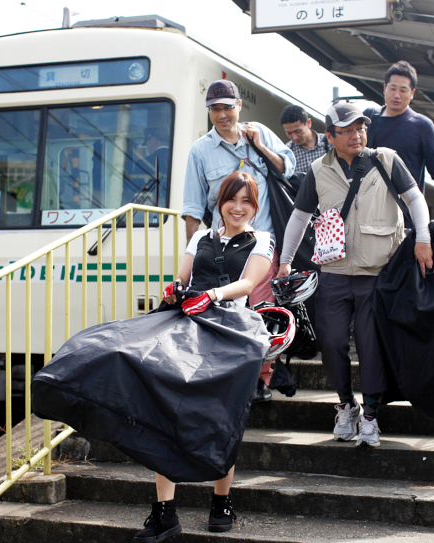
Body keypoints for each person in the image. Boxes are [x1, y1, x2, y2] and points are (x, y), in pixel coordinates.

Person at [277, 102, 433, 448]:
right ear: (329, 136)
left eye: (360, 128)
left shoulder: (386, 160)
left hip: (377, 273)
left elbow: (415, 199)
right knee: (330, 344)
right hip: (333, 272)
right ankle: (347, 405)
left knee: (370, 345)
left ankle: (372, 416)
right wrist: (285, 261)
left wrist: (422, 237)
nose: (356, 135)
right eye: (346, 130)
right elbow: (300, 218)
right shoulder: (318, 169)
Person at [134, 171, 274, 543]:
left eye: (247, 201)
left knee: (222, 417)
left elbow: (247, 284)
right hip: (186, 325)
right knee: (164, 413)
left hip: (232, 330)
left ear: (255, 207)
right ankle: (164, 512)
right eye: (232, 199)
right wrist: (174, 289)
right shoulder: (199, 236)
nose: (238, 207)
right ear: (220, 202)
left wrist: (211, 295)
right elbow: (182, 277)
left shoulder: (263, 241)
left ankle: (221, 501)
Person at [182, 79, 295, 401]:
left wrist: (260, 146)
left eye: (227, 108)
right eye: (215, 109)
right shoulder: (200, 150)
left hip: (262, 246)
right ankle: (229, 377)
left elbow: (288, 167)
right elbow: (192, 208)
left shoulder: (257, 132)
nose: (221, 115)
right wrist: (193, 261)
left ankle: (261, 379)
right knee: (225, 314)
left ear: (239, 107)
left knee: (261, 310)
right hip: (222, 250)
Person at [363, 60, 434, 228]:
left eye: (403, 90)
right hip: (367, 211)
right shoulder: (368, 117)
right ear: (384, 88)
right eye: (392, 88)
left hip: (405, 215)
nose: (396, 95)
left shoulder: (422, 125)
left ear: (412, 93)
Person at [280, 104, 330, 174]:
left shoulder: (329, 142)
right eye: (289, 133)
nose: (294, 137)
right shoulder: (287, 152)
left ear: (309, 123)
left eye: (298, 131)